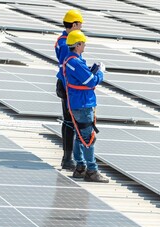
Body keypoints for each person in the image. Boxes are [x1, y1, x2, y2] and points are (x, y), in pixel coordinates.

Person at [62, 30, 109, 183]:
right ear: (78, 44)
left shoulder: (70, 60)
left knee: (79, 136)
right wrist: (100, 72)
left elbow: (81, 77)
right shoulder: (75, 62)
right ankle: (92, 170)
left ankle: (80, 167)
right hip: (83, 104)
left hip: (76, 103)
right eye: (83, 44)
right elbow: (90, 81)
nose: (85, 46)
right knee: (88, 138)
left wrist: (90, 70)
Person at [55, 9, 84, 170]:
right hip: (67, 85)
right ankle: (67, 158)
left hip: (64, 83)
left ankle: (69, 157)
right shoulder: (66, 43)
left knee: (69, 121)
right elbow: (69, 66)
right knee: (69, 121)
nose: (81, 27)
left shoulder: (62, 40)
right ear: (73, 24)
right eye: (79, 25)